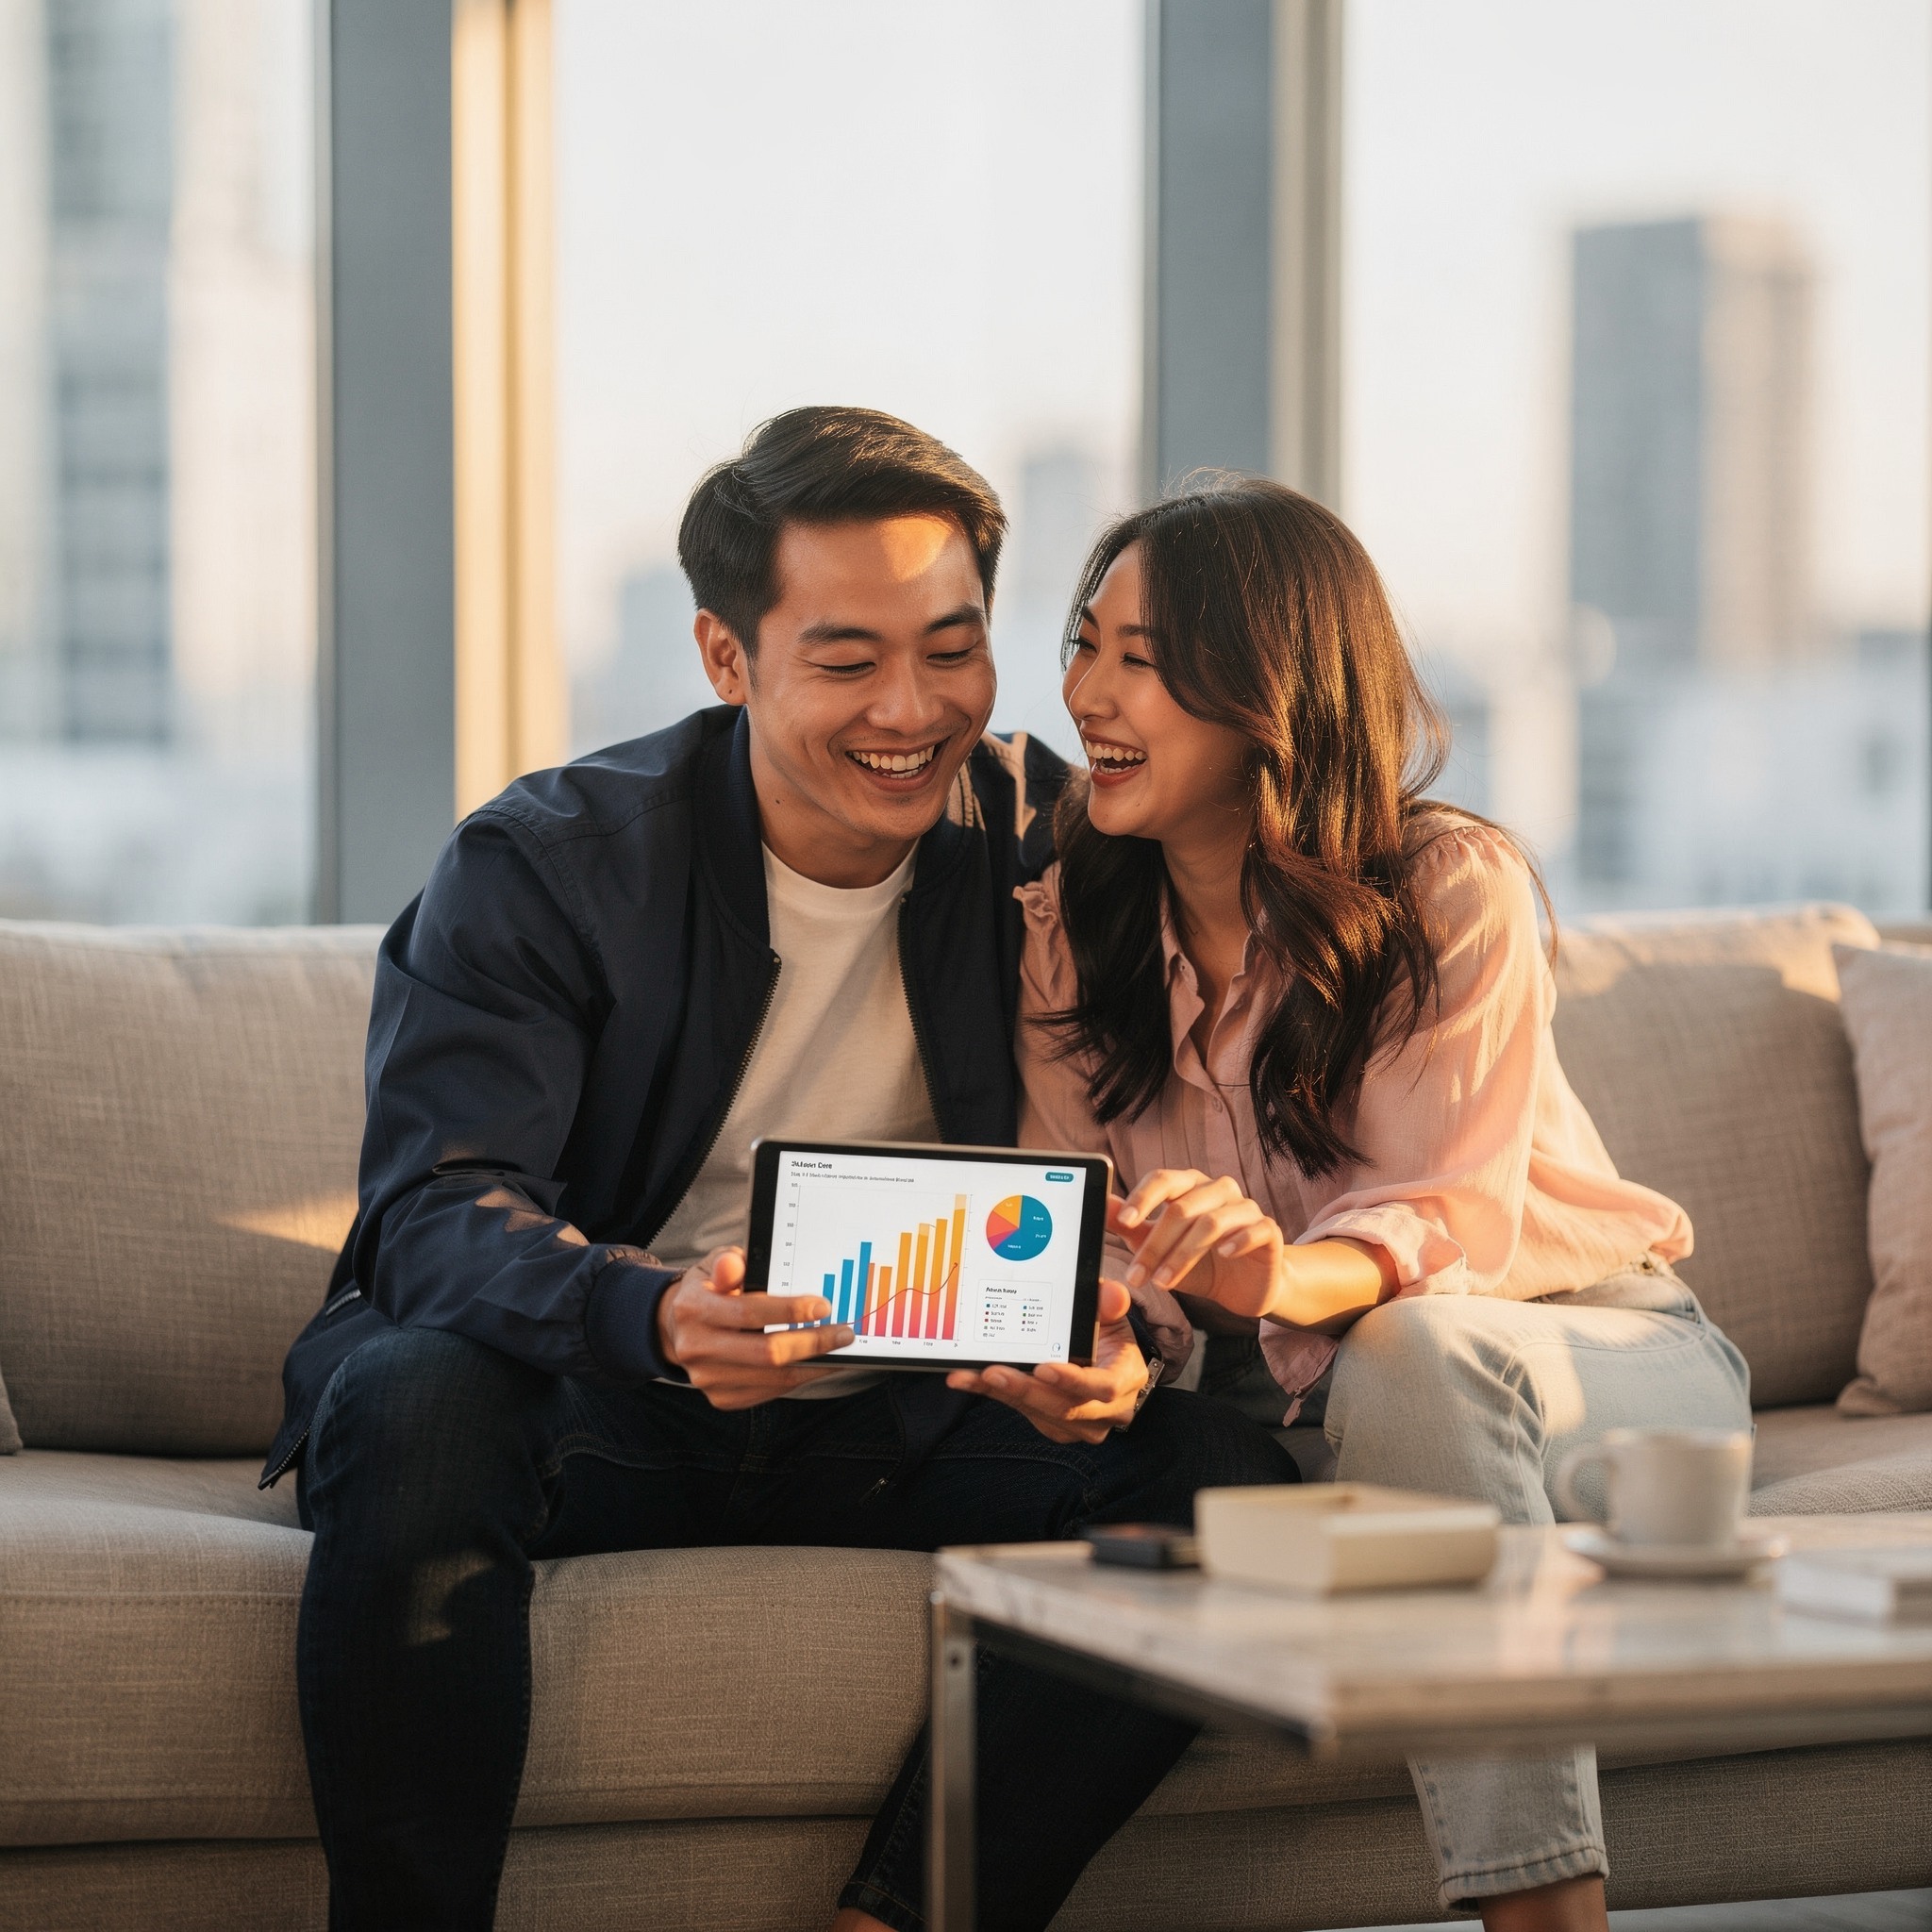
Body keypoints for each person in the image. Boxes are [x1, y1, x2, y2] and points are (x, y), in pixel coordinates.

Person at [266, 407, 1296, 1932]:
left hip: (902, 1414)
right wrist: (654, 1315)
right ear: (725, 657)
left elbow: (1137, 1156)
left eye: (952, 649)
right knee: (416, 1399)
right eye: (845, 659)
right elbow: (434, 1210)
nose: (912, 708)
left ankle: (898, 1918)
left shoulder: (1050, 848)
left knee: (1223, 1486)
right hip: (610, 1395)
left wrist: (1118, 1345)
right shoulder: (546, 864)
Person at [1015, 475, 1753, 1932]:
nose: (1086, 693)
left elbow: (1449, 1227)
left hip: (1602, 1359)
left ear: (1268, 690)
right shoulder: (1068, 932)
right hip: (1334, 1411)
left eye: (1141, 661)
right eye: (1083, 643)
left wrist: (1275, 1284)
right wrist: (1095, 1351)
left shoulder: (1446, 891)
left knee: (1411, 1349)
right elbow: (1088, 1236)